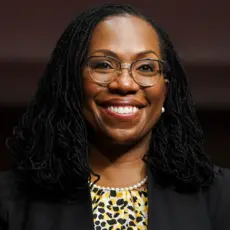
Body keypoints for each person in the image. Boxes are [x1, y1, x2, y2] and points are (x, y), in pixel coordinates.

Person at [0, 3, 230, 230]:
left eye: (146, 67)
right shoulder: (10, 198)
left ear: (165, 91)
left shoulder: (221, 195)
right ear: (71, 84)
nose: (125, 83)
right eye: (104, 65)